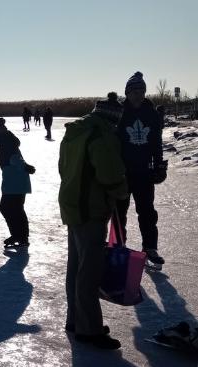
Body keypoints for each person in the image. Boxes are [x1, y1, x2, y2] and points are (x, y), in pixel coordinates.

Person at [58, 93, 128, 350]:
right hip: (90, 209)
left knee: (76, 267)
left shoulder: (76, 131)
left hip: (72, 206)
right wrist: (122, 190)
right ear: (113, 118)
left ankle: (75, 320)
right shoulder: (102, 135)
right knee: (89, 272)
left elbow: (63, 168)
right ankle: (89, 330)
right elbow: (110, 175)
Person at [116, 71, 167, 269]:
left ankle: (150, 248)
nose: (138, 94)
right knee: (119, 212)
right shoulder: (119, 113)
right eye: (134, 91)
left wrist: (159, 164)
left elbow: (156, 142)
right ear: (127, 93)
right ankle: (118, 245)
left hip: (144, 172)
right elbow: (111, 142)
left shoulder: (151, 114)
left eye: (141, 90)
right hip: (122, 172)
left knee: (147, 211)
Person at [0, 125, 35, 248]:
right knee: (13, 209)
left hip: (15, 183)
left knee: (8, 208)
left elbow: (15, 158)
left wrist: (25, 167)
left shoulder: (5, 143)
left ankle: (20, 236)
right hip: (14, 181)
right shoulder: (6, 140)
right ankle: (20, 236)